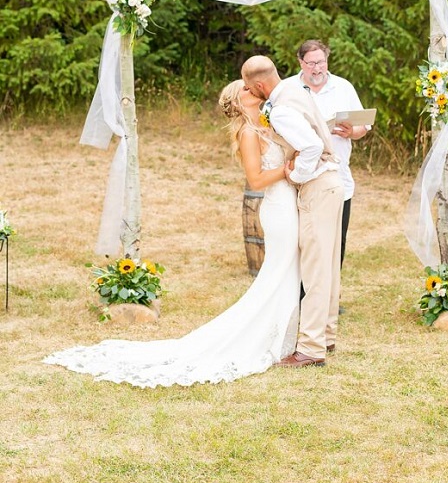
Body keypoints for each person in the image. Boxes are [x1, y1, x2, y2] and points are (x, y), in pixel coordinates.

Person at [43, 80, 300, 388]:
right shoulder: (247, 134)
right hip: (278, 208)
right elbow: (256, 180)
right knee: (279, 272)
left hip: (289, 203)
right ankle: (270, 338)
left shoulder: (266, 125)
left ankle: (288, 334)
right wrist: (286, 171)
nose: (252, 90)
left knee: (287, 271)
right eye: (244, 89)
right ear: (239, 101)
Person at [241, 54, 344, 368]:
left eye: (248, 87)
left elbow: (311, 145)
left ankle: (311, 349)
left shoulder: (282, 109)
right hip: (332, 184)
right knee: (327, 265)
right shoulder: (293, 89)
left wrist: (296, 175)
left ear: (259, 84)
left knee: (314, 268)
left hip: (318, 186)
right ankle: (326, 334)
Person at [285, 40, 369, 268]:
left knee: (336, 241)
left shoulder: (343, 87)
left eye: (321, 62)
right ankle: (301, 296)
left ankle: (331, 298)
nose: (317, 68)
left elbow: (363, 127)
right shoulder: (288, 89)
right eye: (311, 63)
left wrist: (352, 132)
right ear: (300, 63)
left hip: (339, 178)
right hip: (301, 179)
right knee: (303, 240)